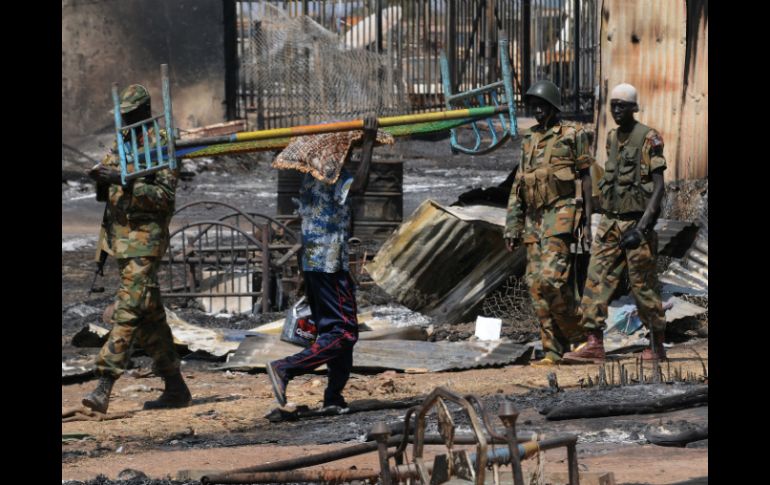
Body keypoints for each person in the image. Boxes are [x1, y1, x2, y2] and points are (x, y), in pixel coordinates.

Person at [82, 84, 191, 413]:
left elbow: (164, 198)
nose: (125, 120)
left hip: (146, 240)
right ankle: (175, 387)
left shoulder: (160, 144)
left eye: (130, 115)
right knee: (148, 316)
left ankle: (104, 383)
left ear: (143, 112)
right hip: (122, 242)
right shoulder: (121, 143)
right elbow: (107, 191)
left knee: (127, 311)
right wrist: (104, 179)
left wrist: (125, 180)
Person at [266, 117, 380, 410]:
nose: (349, 154)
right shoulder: (333, 175)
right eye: (346, 150)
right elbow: (360, 186)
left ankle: (334, 396)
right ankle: (285, 368)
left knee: (334, 330)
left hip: (317, 261)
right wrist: (368, 143)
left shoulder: (312, 175)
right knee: (344, 332)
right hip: (328, 263)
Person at [563, 83, 668, 363]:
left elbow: (659, 189)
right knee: (595, 279)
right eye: (613, 105)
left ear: (634, 108)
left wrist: (642, 228)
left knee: (642, 285)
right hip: (610, 223)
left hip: (636, 224)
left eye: (622, 105)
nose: (617, 110)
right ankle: (594, 343)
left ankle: (657, 346)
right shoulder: (611, 138)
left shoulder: (648, 138)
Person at [504, 80, 594, 365]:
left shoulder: (572, 134)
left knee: (553, 280)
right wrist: (512, 226)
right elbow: (519, 185)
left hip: (561, 214)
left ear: (554, 107)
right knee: (535, 286)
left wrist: (589, 220)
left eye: (543, 106)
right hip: (534, 220)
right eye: (534, 107)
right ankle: (553, 349)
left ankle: (581, 338)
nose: (538, 111)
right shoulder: (529, 138)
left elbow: (587, 176)